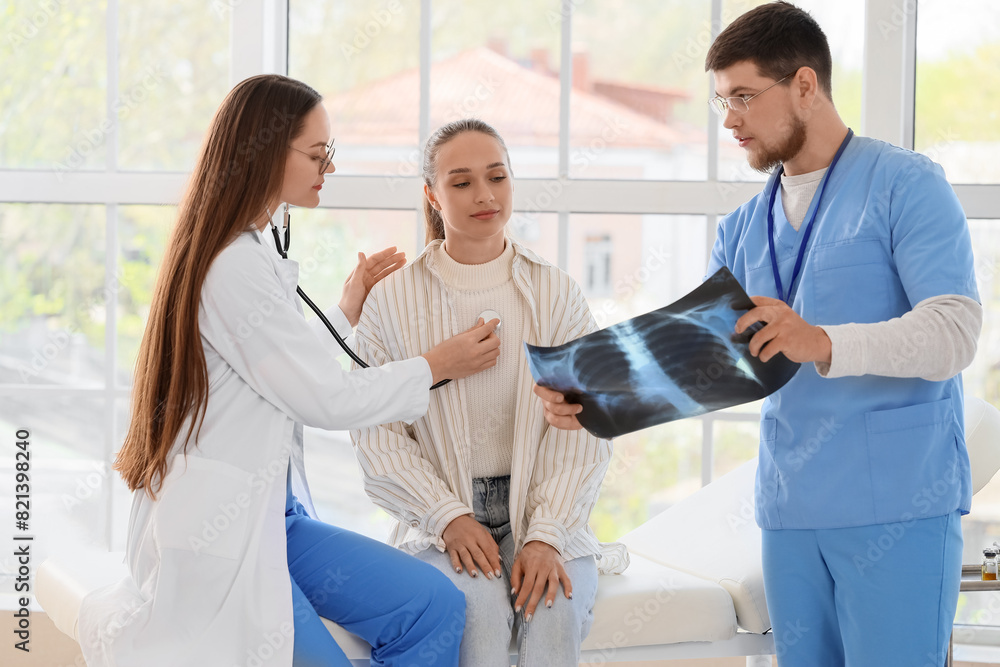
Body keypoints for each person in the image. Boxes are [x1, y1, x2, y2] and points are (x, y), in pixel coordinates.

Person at [536, 3, 982, 665]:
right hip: (790, 508)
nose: (730, 120)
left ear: (805, 85)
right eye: (722, 102)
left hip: (897, 505)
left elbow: (955, 331)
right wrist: (595, 398)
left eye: (743, 97)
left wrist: (823, 340)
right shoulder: (742, 227)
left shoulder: (905, 185)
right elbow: (716, 360)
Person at [78, 74, 504, 667]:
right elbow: (323, 399)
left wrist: (346, 308)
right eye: (317, 153)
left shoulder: (247, 252)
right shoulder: (231, 265)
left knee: (433, 606)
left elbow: (274, 365)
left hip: (274, 521)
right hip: (219, 536)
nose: (328, 166)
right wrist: (439, 364)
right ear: (263, 152)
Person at [349, 118, 628, 667]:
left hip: (545, 508)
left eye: (497, 177)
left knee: (553, 608)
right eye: (461, 182)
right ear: (431, 195)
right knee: (474, 611)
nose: (484, 195)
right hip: (441, 516)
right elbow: (376, 434)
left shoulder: (556, 292)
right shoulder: (390, 301)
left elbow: (586, 425)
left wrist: (546, 536)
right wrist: (448, 517)